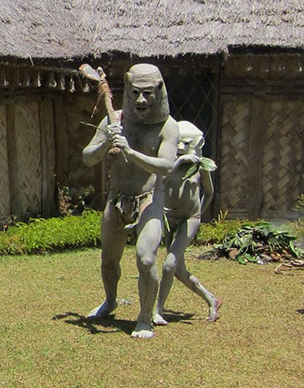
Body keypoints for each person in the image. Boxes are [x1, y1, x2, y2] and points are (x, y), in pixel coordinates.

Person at [82, 63, 178, 339]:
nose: (141, 100)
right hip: (117, 199)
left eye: (148, 94)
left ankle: (146, 317)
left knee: (146, 259)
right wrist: (106, 143)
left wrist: (130, 152)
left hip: (149, 198)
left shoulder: (167, 127)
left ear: (159, 92)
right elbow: (87, 157)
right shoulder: (116, 121)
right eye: (135, 93)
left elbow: (166, 166)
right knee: (109, 259)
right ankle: (110, 301)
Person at [154, 120, 221, 324]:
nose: (182, 148)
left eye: (186, 144)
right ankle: (212, 299)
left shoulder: (200, 166)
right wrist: (177, 164)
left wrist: (199, 213)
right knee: (178, 271)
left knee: (168, 265)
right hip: (169, 218)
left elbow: (208, 192)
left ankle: (158, 309)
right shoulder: (168, 165)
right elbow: (158, 183)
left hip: (189, 219)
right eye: (179, 143)